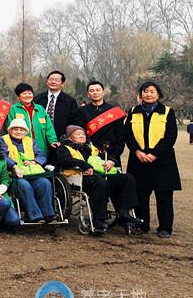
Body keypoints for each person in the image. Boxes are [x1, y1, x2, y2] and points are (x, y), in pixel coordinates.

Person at [56, 125, 142, 234]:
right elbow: (65, 160)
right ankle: (99, 219)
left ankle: (124, 212)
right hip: (79, 177)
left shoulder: (91, 147)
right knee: (101, 183)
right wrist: (84, 165)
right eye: (77, 134)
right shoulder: (64, 148)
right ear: (70, 137)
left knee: (127, 178)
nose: (82, 136)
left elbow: (104, 155)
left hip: (100, 176)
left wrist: (111, 161)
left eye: (83, 134)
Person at [124, 81, 181, 238]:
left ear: (158, 94)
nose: (148, 94)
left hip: (162, 160)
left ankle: (165, 228)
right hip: (138, 159)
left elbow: (170, 136)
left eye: (152, 91)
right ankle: (142, 225)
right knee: (140, 195)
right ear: (141, 94)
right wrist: (137, 151)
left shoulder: (167, 112)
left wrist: (155, 154)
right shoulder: (133, 111)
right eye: (145, 91)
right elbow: (127, 134)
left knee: (164, 196)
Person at [0, 118, 56, 223]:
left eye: (21, 130)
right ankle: (35, 215)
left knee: (45, 183)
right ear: (10, 130)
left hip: (32, 173)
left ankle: (48, 214)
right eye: (15, 129)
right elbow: (2, 156)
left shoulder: (31, 141)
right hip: (14, 175)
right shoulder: (3, 140)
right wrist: (14, 166)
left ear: (26, 131)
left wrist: (34, 162)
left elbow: (41, 155)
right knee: (24, 185)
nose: (18, 132)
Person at [78, 81, 128, 164]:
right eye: (92, 91)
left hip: (111, 154)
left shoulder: (114, 111)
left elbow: (120, 137)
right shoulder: (81, 111)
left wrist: (112, 159)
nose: (95, 93)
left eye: (98, 90)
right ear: (88, 94)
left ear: (103, 92)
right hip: (90, 154)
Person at [5, 83, 60, 157]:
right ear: (18, 97)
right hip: (21, 148)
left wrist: (53, 140)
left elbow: (49, 128)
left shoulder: (40, 109)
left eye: (29, 93)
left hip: (40, 148)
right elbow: (10, 129)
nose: (28, 95)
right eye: (24, 93)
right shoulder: (13, 109)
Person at [35, 70, 82, 141]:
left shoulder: (70, 101)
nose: (53, 82)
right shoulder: (38, 99)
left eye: (56, 80)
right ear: (47, 82)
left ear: (62, 84)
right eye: (51, 79)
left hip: (61, 139)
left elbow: (74, 122)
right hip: (40, 138)